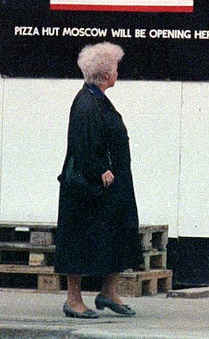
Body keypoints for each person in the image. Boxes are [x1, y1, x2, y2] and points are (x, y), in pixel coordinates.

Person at [54, 42, 142, 318]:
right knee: (79, 237)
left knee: (120, 231)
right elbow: (81, 143)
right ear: (105, 74)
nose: (118, 72)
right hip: (91, 186)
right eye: (115, 68)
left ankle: (108, 292)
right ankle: (73, 300)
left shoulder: (98, 99)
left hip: (114, 184)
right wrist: (99, 169)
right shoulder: (86, 103)